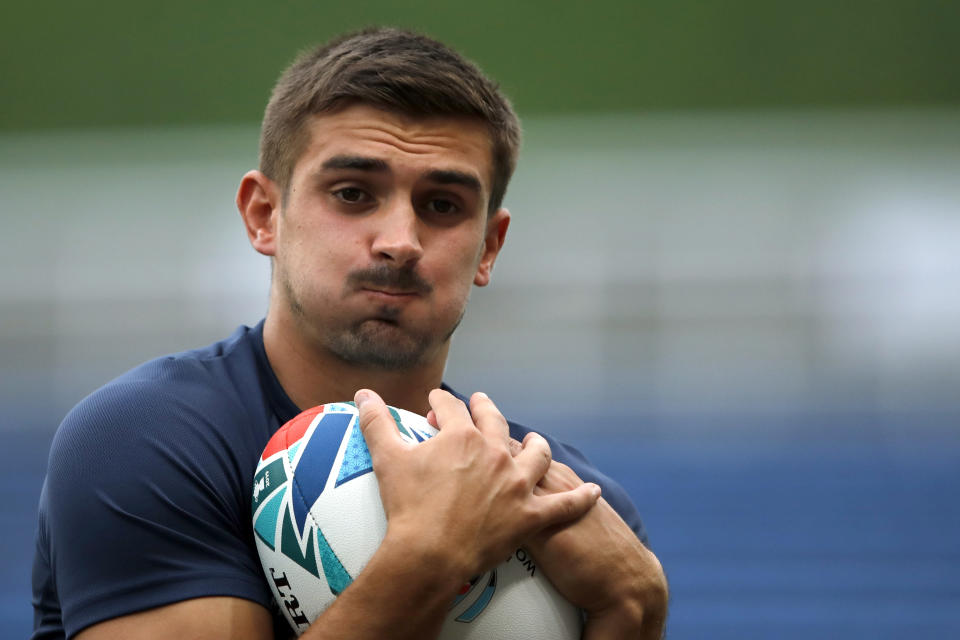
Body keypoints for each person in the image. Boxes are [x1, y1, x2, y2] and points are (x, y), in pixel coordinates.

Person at [32, 27, 668, 640]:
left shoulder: (574, 503)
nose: (399, 241)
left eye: (442, 205)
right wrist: (430, 557)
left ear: (487, 249)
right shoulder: (144, 441)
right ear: (264, 217)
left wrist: (634, 611)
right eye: (353, 193)